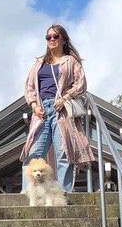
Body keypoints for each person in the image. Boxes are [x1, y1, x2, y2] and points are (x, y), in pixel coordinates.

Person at [19, 24, 94, 193]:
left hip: (62, 110)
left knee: (63, 152)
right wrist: (34, 105)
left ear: (63, 39)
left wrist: (65, 98)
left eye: (55, 36)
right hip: (41, 111)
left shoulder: (71, 61)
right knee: (35, 151)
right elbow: (29, 86)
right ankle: (29, 191)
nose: (51, 39)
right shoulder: (39, 63)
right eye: (48, 37)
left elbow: (81, 84)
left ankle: (63, 191)